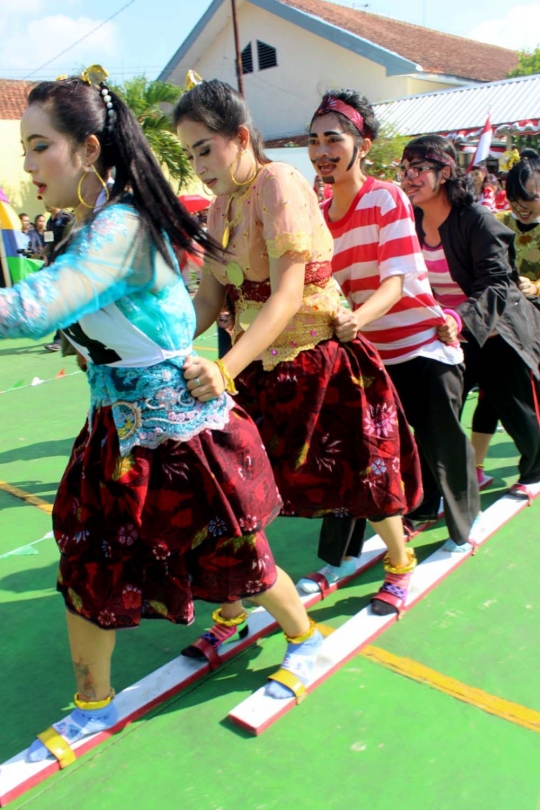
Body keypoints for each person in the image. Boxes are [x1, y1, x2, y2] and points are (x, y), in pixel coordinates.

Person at [1, 68, 325, 765]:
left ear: (89, 151)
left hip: (178, 428)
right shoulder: (93, 224)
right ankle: (94, 703)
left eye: (39, 148)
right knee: (89, 556)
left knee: (235, 552)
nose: (28, 167)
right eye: (24, 151)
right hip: (115, 428)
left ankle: (305, 638)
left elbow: (31, 309)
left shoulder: (119, 227)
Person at [174, 78, 422, 627]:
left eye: (205, 149)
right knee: (235, 488)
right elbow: (211, 295)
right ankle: (235, 604)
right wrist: (162, 348)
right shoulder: (218, 208)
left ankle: (401, 561)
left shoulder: (279, 181)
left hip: (321, 360)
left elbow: (286, 294)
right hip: (258, 367)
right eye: (190, 154)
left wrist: (223, 367)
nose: (199, 166)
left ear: (240, 137)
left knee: (366, 475)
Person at [308, 89, 479, 554]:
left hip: (422, 345)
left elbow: (396, 283)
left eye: (334, 139)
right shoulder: (318, 217)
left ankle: (463, 529)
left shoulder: (387, 199)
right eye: (314, 139)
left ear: (362, 146)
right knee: (357, 453)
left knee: (441, 442)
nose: (322, 151)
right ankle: (338, 555)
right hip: (370, 354)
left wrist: (354, 320)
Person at [400, 135, 540, 501]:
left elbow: (495, 285)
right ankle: (435, 496)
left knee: (518, 411)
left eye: (418, 169)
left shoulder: (477, 221)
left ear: (445, 171)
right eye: (403, 169)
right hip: (447, 336)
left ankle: (536, 468)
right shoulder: (409, 221)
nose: (407, 177)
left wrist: (459, 320)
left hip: (496, 330)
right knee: (435, 418)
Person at [467, 149, 540, 477]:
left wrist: (536, 288)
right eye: (514, 199)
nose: (521, 208)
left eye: (529, 199)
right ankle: (476, 467)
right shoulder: (499, 224)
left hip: (534, 322)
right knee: (489, 395)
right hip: (508, 323)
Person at [44, 206, 76, 350]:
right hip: (53, 265)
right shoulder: (50, 222)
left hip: (64, 266)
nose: (47, 204)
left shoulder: (66, 218)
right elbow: (50, 243)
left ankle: (59, 339)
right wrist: (42, 252)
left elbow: (70, 241)